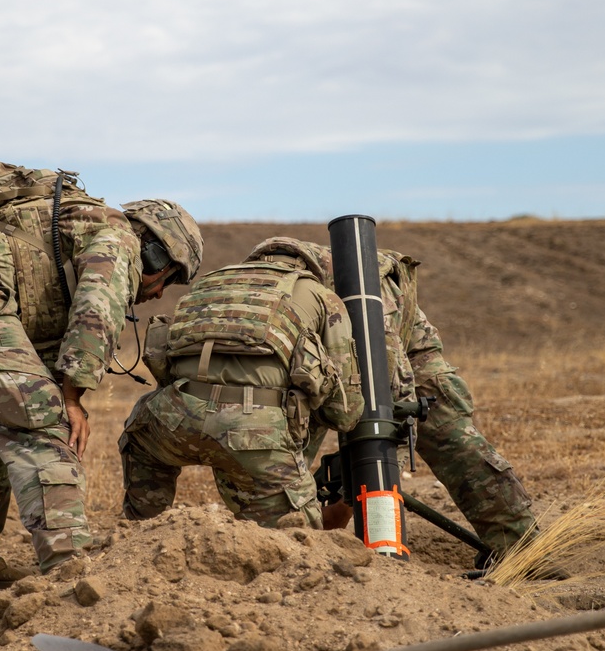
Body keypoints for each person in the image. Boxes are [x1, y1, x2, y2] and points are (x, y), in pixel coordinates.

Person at [0, 162, 202, 592]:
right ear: (157, 251)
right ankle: (72, 577)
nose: (161, 293)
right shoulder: (118, 236)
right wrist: (71, 396)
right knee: (46, 422)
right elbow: (98, 306)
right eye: (170, 277)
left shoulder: (70, 226)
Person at [120, 236, 538, 565]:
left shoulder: (364, 289)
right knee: (296, 421)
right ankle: (312, 529)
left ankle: (522, 547)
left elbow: (379, 387)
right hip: (311, 368)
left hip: (395, 343)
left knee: (446, 431)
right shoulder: (275, 295)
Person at [118, 237, 364, 530]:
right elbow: (344, 413)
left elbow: (166, 368)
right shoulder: (323, 296)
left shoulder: (210, 284)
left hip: (173, 419)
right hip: (255, 435)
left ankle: (141, 534)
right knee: (297, 540)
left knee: (141, 438)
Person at [331, 245, 538, 567]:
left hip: (401, 346)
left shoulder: (354, 294)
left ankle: (523, 549)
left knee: (454, 441)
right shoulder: (275, 297)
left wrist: (385, 458)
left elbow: (393, 383)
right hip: (335, 345)